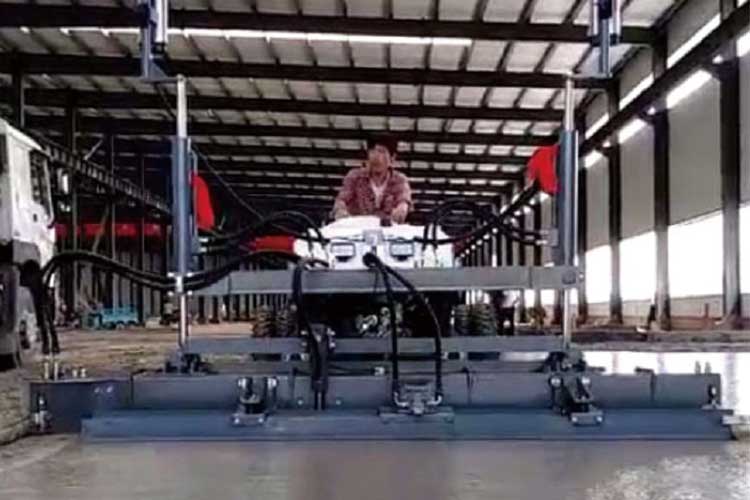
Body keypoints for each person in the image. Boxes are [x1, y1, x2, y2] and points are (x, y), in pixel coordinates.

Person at [331, 134, 412, 224]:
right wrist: (340, 210)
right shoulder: (354, 176)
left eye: (382, 152)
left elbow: (404, 200)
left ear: (392, 158)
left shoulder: (400, 180)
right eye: (372, 151)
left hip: (387, 229)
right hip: (357, 228)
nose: (376, 157)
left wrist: (402, 209)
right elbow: (341, 199)